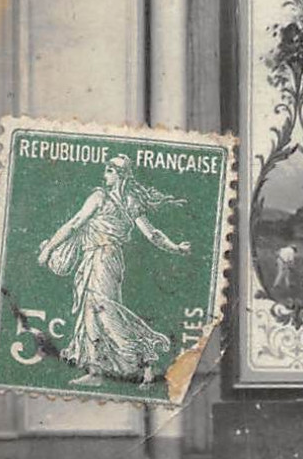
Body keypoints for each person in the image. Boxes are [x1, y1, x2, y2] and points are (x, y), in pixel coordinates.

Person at [36, 154, 191, 387]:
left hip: (103, 258)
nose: (104, 175)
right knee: (91, 313)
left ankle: (145, 359)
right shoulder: (130, 202)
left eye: (109, 171)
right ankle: (97, 371)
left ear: (119, 175)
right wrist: (176, 248)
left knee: (105, 312)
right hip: (100, 258)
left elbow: (75, 222)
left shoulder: (102, 197)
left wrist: (48, 249)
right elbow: (153, 234)